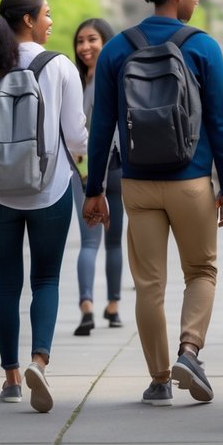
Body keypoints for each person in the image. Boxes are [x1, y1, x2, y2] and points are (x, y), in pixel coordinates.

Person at [82, 0, 223, 407]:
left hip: (136, 184)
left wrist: (95, 190)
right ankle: (189, 352)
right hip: (191, 181)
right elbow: (218, 123)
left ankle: (158, 381)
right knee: (202, 270)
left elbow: (101, 129)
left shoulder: (117, 48)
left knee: (149, 285)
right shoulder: (203, 46)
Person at [0, 0, 87, 413]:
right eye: (47, 14)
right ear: (29, 21)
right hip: (49, 188)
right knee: (46, 280)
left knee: (7, 284)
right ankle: (40, 359)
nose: (51, 21)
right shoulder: (60, 67)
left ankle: (12, 378)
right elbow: (75, 137)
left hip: (0, 189)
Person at [70, 17, 124, 336]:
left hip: (99, 169)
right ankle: (99, 307)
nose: (85, 47)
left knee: (101, 241)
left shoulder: (78, 83)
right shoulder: (116, 77)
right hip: (99, 169)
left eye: (92, 39)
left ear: (106, 41)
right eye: (80, 41)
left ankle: (100, 304)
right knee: (98, 241)